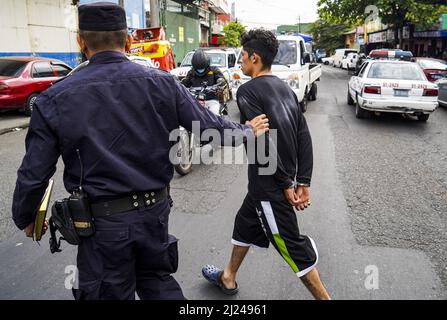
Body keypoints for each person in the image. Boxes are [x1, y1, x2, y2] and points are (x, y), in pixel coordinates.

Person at [11, 2, 269, 300]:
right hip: (153, 216)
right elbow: (210, 127)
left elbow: (33, 174)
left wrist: (27, 217)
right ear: (129, 41)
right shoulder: (163, 84)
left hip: (101, 228)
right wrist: (248, 130)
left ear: (80, 42)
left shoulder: (54, 99)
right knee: (157, 283)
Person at [201, 29, 331, 300]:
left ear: (255, 58)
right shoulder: (285, 88)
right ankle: (228, 277)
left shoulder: (247, 91)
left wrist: (286, 184)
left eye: (243, 56)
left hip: (270, 184)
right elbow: (303, 137)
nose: (240, 61)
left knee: (291, 246)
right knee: (244, 224)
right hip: (266, 184)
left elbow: (261, 143)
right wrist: (303, 181)